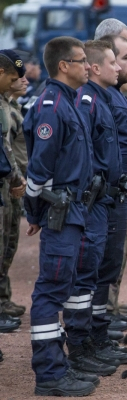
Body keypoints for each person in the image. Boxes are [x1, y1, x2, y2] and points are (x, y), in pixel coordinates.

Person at [23, 36, 98, 396]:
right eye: (82, 60)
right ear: (64, 66)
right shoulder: (52, 106)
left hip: (72, 211)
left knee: (60, 288)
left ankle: (57, 366)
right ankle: (50, 374)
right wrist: (35, 212)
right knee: (51, 293)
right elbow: (38, 173)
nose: (89, 66)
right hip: (60, 212)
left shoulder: (68, 102)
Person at [63, 39, 127, 378]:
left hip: (107, 198)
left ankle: (96, 337)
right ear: (93, 67)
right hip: (93, 201)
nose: (119, 68)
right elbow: (83, 152)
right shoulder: (88, 100)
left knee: (101, 271)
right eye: (112, 62)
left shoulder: (104, 98)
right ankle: (81, 346)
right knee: (86, 274)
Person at [90, 33, 127, 344]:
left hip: (118, 194)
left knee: (108, 267)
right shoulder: (100, 98)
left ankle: (98, 334)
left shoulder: (114, 94)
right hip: (107, 197)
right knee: (97, 270)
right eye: (122, 59)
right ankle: (92, 340)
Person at [0, 49, 25, 351]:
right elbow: (5, 149)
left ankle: (3, 300)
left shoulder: (8, 105)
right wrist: (17, 178)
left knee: (7, 246)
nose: (18, 81)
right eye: (12, 77)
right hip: (7, 184)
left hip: (7, 186)